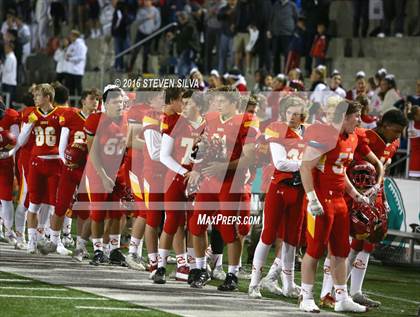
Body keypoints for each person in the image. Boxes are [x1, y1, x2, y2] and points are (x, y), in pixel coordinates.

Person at [298, 100, 368, 313]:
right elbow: (305, 166)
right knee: (314, 250)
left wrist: (354, 193)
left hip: (339, 200)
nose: (359, 120)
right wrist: (311, 197)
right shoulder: (326, 135)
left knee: (341, 251)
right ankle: (306, 296)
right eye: (356, 116)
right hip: (320, 199)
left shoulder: (353, 137)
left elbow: (341, 170)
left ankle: (341, 297)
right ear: (345, 116)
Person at [347, 109, 407, 307]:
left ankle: (355, 291)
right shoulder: (366, 136)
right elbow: (351, 164)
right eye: (396, 131)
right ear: (385, 125)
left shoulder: (394, 141)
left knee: (370, 242)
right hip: (359, 191)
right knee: (352, 241)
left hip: (377, 193)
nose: (397, 136)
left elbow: (385, 165)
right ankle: (335, 290)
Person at [249, 96, 306, 299]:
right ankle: (254, 283)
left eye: (296, 112)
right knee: (268, 234)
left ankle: (289, 284)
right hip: (279, 188)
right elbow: (281, 163)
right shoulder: (276, 128)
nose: (292, 116)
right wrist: (308, 164)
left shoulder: (306, 132)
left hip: (299, 191)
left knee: (292, 239)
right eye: (289, 112)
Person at [154, 89, 206, 284]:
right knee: (171, 222)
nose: (183, 106)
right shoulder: (174, 121)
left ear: (199, 106)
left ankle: (195, 268)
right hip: (176, 176)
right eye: (183, 102)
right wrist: (185, 172)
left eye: (189, 103)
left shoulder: (208, 126)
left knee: (196, 224)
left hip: (198, 179)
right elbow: (164, 156)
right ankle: (160, 266)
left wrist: (199, 173)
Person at [83, 86, 128, 266]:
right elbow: (92, 152)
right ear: (107, 103)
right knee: (99, 212)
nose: (120, 105)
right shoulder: (95, 120)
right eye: (116, 102)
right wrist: (103, 176)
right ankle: (98, 250)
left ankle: (114, 249)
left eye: (122, 102)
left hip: (119, 172)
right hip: (98, 171)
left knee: (117, 212)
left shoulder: (126, 120)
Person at [0, 100, 19, 245]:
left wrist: (7, 153)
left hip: (4, 160)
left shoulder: (11, 116)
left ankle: (8, 230)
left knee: (6, 197)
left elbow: (16, 140)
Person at [129, 0, 161, 73]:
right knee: (136, 50)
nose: (146, 3)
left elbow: (158, 22)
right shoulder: (141, 11)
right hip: (140, 33)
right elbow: (137, 21)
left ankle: (144, 69)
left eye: (148, 1)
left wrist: (153, 29)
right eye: (145, 1)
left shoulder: (155, 11)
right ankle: (130, 67)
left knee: (146, 52)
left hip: (149, 34)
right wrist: (146, 17)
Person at [268, 0, 298, 75]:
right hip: (276, 33)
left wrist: (294, 30)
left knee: (287, 54)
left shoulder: (292, 5)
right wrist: (270, 30)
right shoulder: (275, 5)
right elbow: (271, 18)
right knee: (276, 54)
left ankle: (287, 72)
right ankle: (276, 73)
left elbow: (296, 18)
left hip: (287, 34)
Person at [65, 30, 88, 96]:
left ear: (75, 36)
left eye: (71, 36)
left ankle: (81, 104)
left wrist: (70, 59)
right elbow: (67, 54)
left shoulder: (81, 46)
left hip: (77, 70)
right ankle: (72, 104)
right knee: (70, 89)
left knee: (78, 89)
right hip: (70, 70)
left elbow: (81, 57)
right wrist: (68, 57)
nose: (69, 37)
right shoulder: (71, 45)